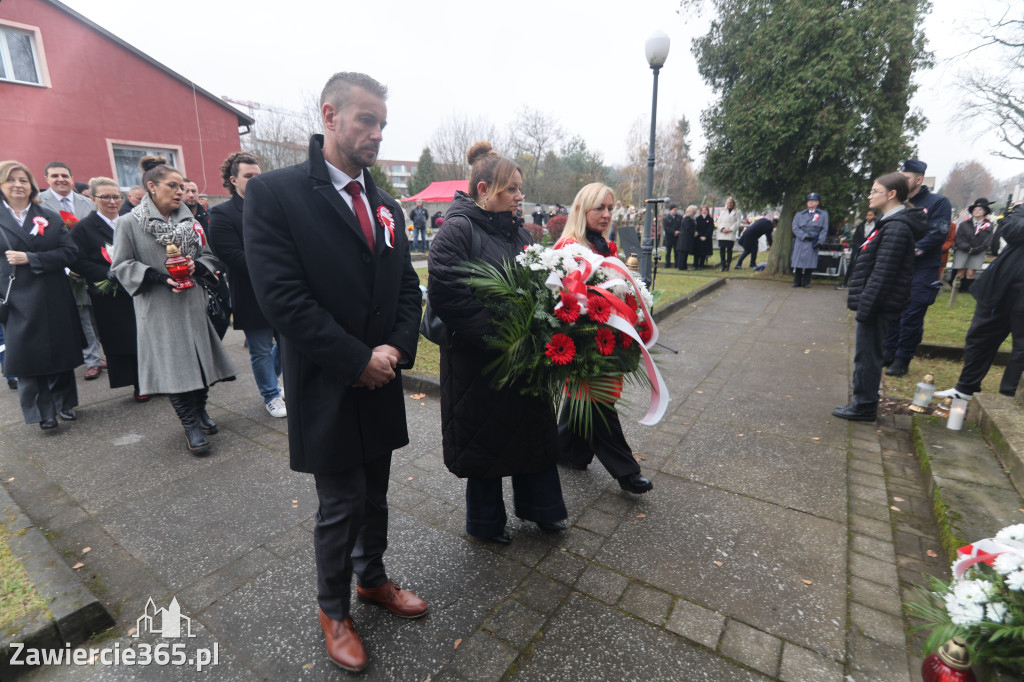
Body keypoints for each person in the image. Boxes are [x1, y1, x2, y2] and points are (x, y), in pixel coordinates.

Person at [244, 72, 426, 673]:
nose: (376, 133)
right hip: (328, 381)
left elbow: (406, 287)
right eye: (365, 121)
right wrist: (356, 359)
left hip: (382, 378)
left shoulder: (387, 203)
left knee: (375, 495)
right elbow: (282, 298)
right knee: (340, 502)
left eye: (381, 123)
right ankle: (333, 609)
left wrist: (395, 351)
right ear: (329, 114)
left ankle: (371, 578)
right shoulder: (276, 194)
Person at [428, 141, 568, 547]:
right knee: (484, 441)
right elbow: (449, 294)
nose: (519, 196)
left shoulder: (517, 229)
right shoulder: (457, 229)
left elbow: (535, 281)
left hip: (523, 355)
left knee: (532, 433)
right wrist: (503, 336)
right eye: (512, 190)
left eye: (520, 189)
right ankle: (485, 523)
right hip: (479, 361)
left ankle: (543, 510)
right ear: (484, 189)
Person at [111, 156, 236, 455]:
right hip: (158, 307)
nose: (179, 191)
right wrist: (155, 276)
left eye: (181, 186)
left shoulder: (189, 220)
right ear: (151, 187)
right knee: (175, 368)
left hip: (192, 302)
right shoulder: (128, 222)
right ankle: (190, 424)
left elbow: (208, 254)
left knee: (201, 362)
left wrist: (198, 266)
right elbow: (121, 265)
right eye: (172, 185)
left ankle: (201, 410)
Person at [553, 183, 654, 494]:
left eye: (611, 208)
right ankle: (626, 471)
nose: (608, 214)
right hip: (581, 339)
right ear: (584, 210)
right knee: (598, 403)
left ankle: (567, 450)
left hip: (603, 335)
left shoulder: (601, 245)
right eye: (601, 208)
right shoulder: (569, 247)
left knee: (585, 399)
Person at [833, 173, 927, 421]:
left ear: (892, 194)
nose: (870, 195)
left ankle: (863, 407)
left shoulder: (896, 227)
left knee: (867, 357)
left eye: (875, 191)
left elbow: (883, 273)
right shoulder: (890, 222)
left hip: (878, 304)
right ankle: (863, 403)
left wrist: (866, 307)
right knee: (866, 355)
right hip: (878, 302)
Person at [0, 161, 85, 429]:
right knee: (28, 358)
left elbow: (70, 253)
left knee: (60, 352)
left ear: (32, 185)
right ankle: (42, 412)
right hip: (15, 298)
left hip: (52, 294)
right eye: (10, 180)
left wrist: (32, 258)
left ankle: (64, 403)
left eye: (23, 180)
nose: (18, 185)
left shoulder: (49, 215)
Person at [207, 152, 286, 419]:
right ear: (233, 180)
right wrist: (275, 264)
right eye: (248, 176)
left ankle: (271, 381)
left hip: (284, 289)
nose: (255, 180)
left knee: (289, 342)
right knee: (261, 348)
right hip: (251, 291)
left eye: (258, 175)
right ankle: (271, 395)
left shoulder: (273, 206)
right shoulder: (221, 214)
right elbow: (232, 255)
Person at [935, 201, 1024, 402]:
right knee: (980, 337)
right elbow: (1011, 231)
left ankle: (1008, 397)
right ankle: (966, 388)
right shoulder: (1021, 210)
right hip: (1002, 289)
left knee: (1021, 349)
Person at [69, 177, 147, 402]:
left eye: (116, 196)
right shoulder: (83, 228)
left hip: (137, 286)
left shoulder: (131, 220)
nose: (112, 201)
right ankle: (137, 383)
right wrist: (102, 273)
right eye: (105, 197)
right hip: (109, 292)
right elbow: (76, 259)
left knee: (145, 335)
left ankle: (153, 378)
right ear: (93, 199)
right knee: (123, 339)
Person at [882, 159, 952, 377]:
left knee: (911, 314)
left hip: (923, 268)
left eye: (906, 178)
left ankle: (903, 358)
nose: (901, 181)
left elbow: (937, 234)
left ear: (919, 180)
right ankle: (889, 351)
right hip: (898, 266)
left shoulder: (937, 202)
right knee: (893, 309)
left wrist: (910, 250)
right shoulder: (897, 202)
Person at [38, 161, 106, 380]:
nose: (61, 179)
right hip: (61, 266)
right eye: (55, 176)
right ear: (46, 179)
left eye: (65, 175)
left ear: (72, 178)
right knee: (82, 312)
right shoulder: (39, 205)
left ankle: (108, 354)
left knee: (99, 309)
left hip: (90, 263)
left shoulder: (87, 202)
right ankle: (92, 359)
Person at [951, 198, 995, 294]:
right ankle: (958, 289)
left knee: (970, 273)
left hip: (978, 251)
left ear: (985, 211)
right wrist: (968, 248)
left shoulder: (989, 225)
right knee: (960, 272)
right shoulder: (964, 224)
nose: (977, 211)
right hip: (963, 250)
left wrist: (977, 249)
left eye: (980, 209)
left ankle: (968, 290)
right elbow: (959, 238)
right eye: (975, 209)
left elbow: (988, 241)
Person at [791, 193, 828, 288]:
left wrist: (820, 241)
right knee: (798, 262)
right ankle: (797, 281)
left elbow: (824, 229)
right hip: (801, 240)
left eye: (813, 201)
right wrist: (804, 236)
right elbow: (795, 227)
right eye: (809, 201)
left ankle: (807, 282)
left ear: (817, 203)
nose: (810, 203)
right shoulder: (799, 214)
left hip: (813, 240)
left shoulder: (823, 214)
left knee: (810, 262)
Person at [837, 210, 877, 288]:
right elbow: (855, 237)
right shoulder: (861, 225)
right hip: (858, 249)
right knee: (852, 265)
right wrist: (858, 246)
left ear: (875, 216)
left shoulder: (876, 226)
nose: (868, 217)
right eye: (867, 215)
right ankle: (846, 282)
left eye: (870, 215)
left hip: (869, 249)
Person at [716, 198, 741, 271]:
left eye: (731, 203)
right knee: (722, 250)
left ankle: (728, 266)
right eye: (728, 203)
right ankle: (723, 265)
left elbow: (738, 222)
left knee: (729, 250)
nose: (729, 204)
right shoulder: (723, 211)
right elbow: (718, 221)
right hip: (722, 234)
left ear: (733, 204)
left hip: (730, 233)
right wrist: (722, 229)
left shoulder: (737, 212)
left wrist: (730, 229)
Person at [677, 205, 697, 270]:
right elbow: (688, 228)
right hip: (685, 238)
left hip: (684, 238)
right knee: (683, 253)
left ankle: (684, 265)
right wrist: (694, 233)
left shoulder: (686, 218)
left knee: (684, 253)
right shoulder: (687, 219)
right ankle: (681, 266)